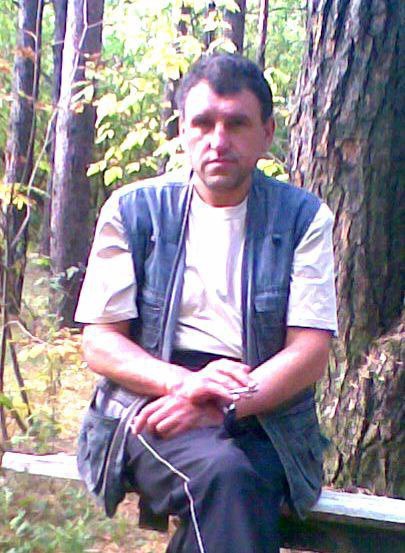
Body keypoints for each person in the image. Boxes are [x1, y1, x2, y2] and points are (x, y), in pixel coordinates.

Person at [75, 53, 337, 553]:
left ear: (267, 133)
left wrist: (225, 406)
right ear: (182, 130)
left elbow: (310, 352)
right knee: (229, 481)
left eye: (237, 123)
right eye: (202, 123)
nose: (218, 140)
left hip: (264, 407)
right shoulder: (134, 210)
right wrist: (186, 385)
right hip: (153, 402)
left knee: (237, 489)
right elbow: (100, 341)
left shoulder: (302, 218)